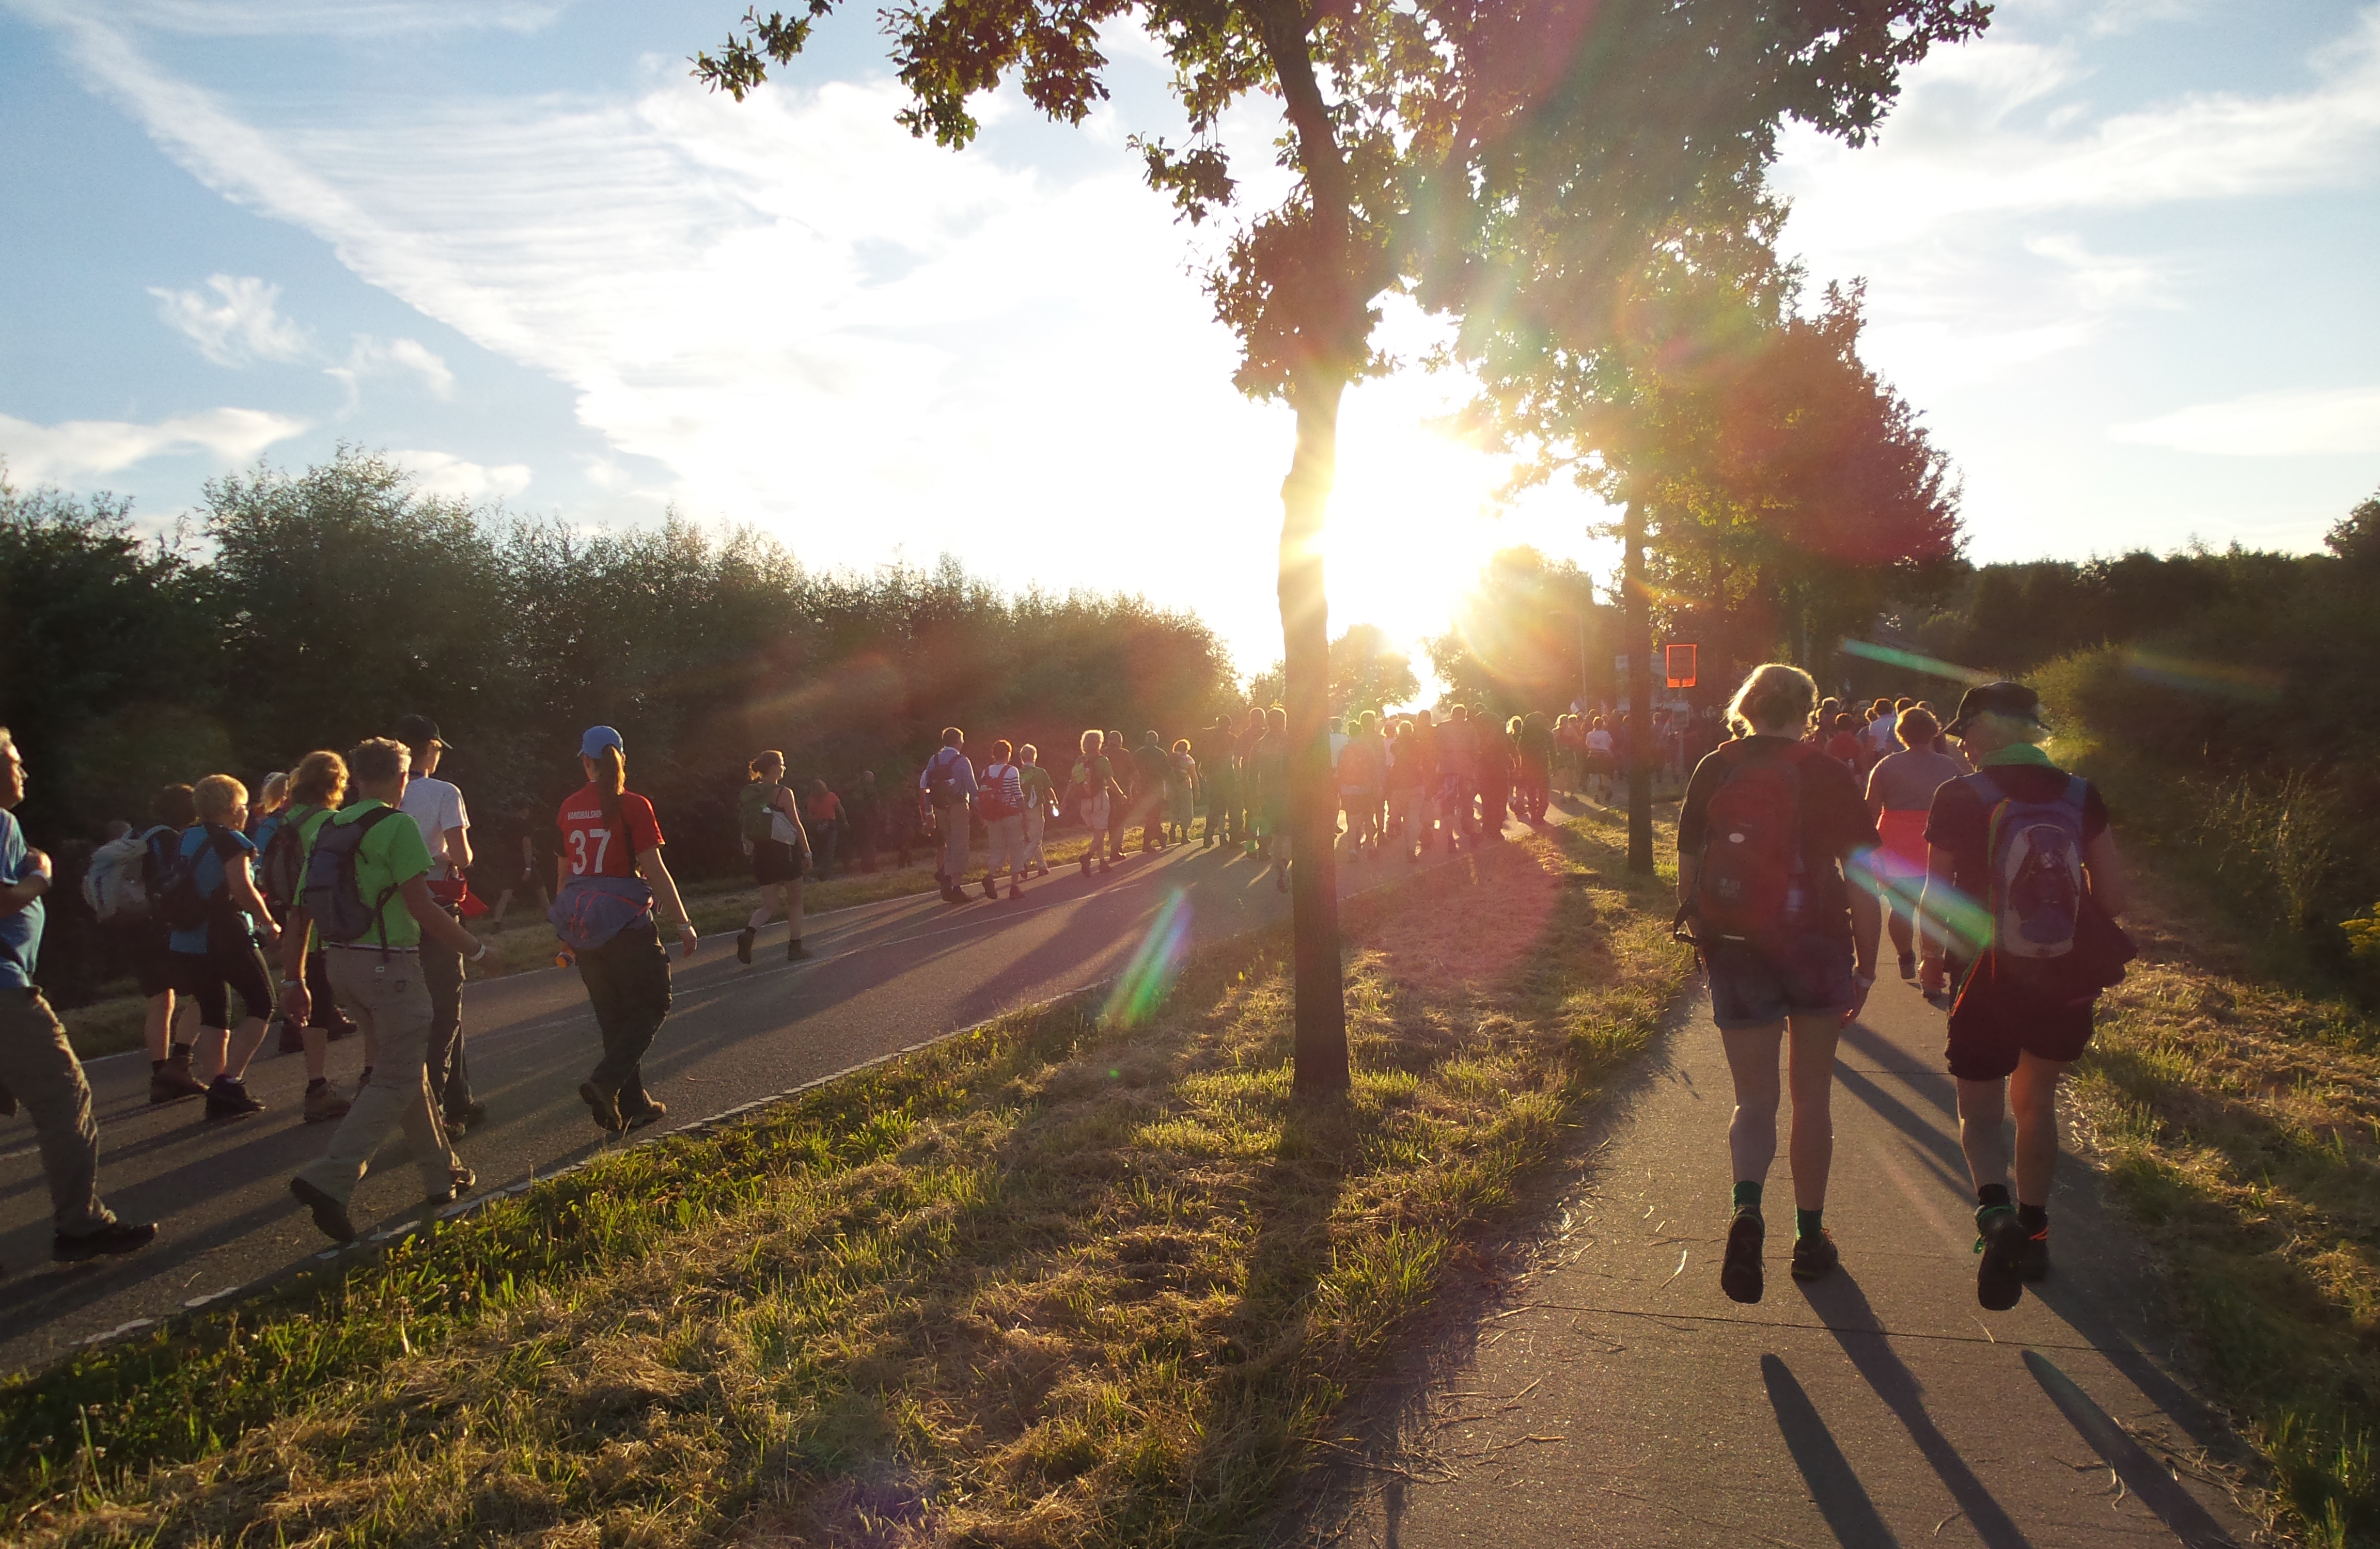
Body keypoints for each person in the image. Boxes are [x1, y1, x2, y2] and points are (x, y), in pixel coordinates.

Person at [1676, 663, 1884, 1306]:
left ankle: (1746, 1211)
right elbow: (1863, 880)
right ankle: (1809, 1238)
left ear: (1747, 707)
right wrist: (1868, 964)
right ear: (1807, 710)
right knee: (1811, 1099)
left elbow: (1688, 864)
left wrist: (1706, 939)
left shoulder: (1716, 766)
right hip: (1817, 946)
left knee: (1754, 1101)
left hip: (1737, 948)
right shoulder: (1826, 773)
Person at [1916, 681, 2127, 1310]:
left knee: (1980, 1117)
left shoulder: (1958, 795)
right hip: (2061, 976)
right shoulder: (2080, 793)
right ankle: (2034, 1234)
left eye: (1966, 731)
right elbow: (2116, 899)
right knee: (2037, 1102)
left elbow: (1934, 895)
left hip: (1985, 975)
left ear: (1985, 729)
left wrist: (1929, 961)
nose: (1963, 744)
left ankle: (1995, 1215)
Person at [279, 737, 487, 1243]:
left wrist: (293, 978)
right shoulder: (397, 828)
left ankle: (444, 1176)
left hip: (341, 964)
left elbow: (300, 910)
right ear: (402, 779)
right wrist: (478, 950)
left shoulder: (330, 827)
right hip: (391, 967)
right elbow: (423, 908)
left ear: (354, 779)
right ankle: (331, 1177)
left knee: (405, 1066)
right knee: (394, 1078)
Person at [0, 727, 159, 1268]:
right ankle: (80, 1224)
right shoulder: (1, 822)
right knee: (65, 1100)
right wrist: (40, 875)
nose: (24, 771)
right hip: (5, 994)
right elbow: (6, 899)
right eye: (15, 761)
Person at [553, 726, 699, 1134]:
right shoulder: (633, 805)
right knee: (654, 1003)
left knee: (613, 1017)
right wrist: (683, 922)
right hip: (627, 926)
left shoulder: (567, 808)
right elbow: (653, 868)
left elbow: (563, 876)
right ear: (621, 758)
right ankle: (606, 1083)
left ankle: (634, 1104)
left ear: (586, 761)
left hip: (585, 927)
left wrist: (568, 931)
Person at [166, 774, 283, 1120]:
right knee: (262, 1002)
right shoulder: (231, 840)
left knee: (214, 1011)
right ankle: (229, 1082)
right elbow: (241, 887)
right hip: (223, 932)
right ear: (233, 809)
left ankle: (220, 1088)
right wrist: (267, 921)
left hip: (185, 937)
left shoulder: (185, 837)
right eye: (244, 807)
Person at [393, 714, 481, 1134]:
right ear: (429, 748)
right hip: (437, 900)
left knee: (427, 1001)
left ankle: (461, 1097)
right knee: (446, 1004)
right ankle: (439, 1107)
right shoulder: (444, 791)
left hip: (393, 906)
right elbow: (462, 856)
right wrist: (448, 854)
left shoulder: (384, 792)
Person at [260, 752, 357, 1124]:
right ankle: (371, 1080)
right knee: (359, 1004)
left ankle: (317, 1084)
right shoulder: (329, 822)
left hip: (296, 926)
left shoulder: (285, 820)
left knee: (318, 1013)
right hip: (329, 927)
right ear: (334, 784)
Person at [1864, 706, 1967, 980]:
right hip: (1937, 843)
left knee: (1901, 906)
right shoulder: (1949, 767)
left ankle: (1905, 957)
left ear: (1901, 734)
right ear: (1934, 732)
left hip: (1896, 843)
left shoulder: (1886, 766)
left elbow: (1870, 812)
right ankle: (1932, 968)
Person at [736, 751, 812, 964]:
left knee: (769, 905)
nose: (783, 768)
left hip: (762, 854)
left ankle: (749, 934)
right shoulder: (783, 793)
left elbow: (746, 823)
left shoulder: (751, 793)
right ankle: (795, 947)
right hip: (785, 852)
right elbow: (796, 825)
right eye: (781, 765)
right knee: (796, 901)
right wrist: (807, 852)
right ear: (772, 768)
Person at [920, 728, 980, 904]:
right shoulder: (962, 761)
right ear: (957, 741)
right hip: (958, 806)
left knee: (948, 844)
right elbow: (972, 788)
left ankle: (946, 877)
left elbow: (928, 787)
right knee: (960, 845)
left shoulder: (934, 760)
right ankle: (956, 886)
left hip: (939, 808)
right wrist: (981, 811)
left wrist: (929, 812)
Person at [978, 740, 1029, 900]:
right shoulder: (1012, 771)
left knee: (997, 848)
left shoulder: (986, 772)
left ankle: (990, 875)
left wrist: (984, 816)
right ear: (1009, 753)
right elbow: (1018, 795)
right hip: (1011, 814)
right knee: (1016, 849)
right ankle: (1014, 887)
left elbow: (982, 796)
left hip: (993, 817)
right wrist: (1025, 816)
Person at [1066, 731, 1123, 875]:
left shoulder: (1079, 761)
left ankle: (1102, 862)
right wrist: (1121, 794)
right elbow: (1111, 781)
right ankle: (1088, 857)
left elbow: (1072, 782)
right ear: (1099, 743)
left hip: (1084, 802)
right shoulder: (1102, 760)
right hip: (1100, 799)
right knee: (1101, 832)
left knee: (1098, 832)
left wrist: (1064, 801)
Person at [1251, 707, 1292, 890]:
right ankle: (1284, 862)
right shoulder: (1292, 742)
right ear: (1284, 722)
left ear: (1268, 723)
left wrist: (1251, 795)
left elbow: (1251, 774)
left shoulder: (1259, 744)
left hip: (1267, 795)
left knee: (1276, 835)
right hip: (1289, 794)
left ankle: (1280, 868)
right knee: (1290, 834)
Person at [1016, 746, 1055, 876]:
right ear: (1035, 756)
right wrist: (1054, 802)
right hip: (1036, 808)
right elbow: (1049, 790)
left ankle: (1042, 866)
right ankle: (1023, 862)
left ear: (1022, 758)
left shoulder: (1018, 773)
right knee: (1037, 839)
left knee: (1033, 838)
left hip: (1021, 809)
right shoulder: (1040, 772)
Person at [1201, 717, 1238, 848]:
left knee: (1213, 808)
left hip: (1211, 777)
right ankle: (1222, 836)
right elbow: (1232, 761)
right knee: (1223, 809)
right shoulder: (1231, 739)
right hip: (1226, 778)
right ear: (1229, 725)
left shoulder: (1208, 737)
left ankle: (1208, 835)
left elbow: (1203, 756)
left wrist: (1205, 772)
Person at [805, 779, 843, 878]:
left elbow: (810, 814)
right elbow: (840, 810)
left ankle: (822, 872)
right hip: (829, 824)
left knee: (822, 850)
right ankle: (827, 873)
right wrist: (844, 822)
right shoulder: (831, 796)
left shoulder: (813, 798)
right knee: (829, 850)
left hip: (818, 825)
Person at [846, 771, 883, 874]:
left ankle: (865, 866)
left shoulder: (856, 789)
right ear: (868, 778)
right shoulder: (870, 788)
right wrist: (878, 816)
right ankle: (872, 866)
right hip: (870, 819)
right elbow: (875, 803)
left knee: (863, 844)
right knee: (871, 843)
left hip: (858, 820)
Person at [1166, 739, 1199, 847]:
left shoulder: (1169, 758)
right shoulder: (1188, 759)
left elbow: (1164, 774)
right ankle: (1184, 836)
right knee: (1186, 810)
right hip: (1185, 787)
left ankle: (1173, 830)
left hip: (1171, 788)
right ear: (1186, 749)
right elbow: (1194, 775)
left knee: (1174, 809)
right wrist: (1197, 790)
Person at [1583, 716, 1616, 805]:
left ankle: (1596, 795)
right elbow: (1611, 743)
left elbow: (1587, 745)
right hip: (1604, 756)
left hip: (1593, 756)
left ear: (1594, 724)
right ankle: (1608, 791)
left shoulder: (1589, 734)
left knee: (1594, 776)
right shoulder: (1606, 734)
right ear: (1603, 724)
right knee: (1606, 775)